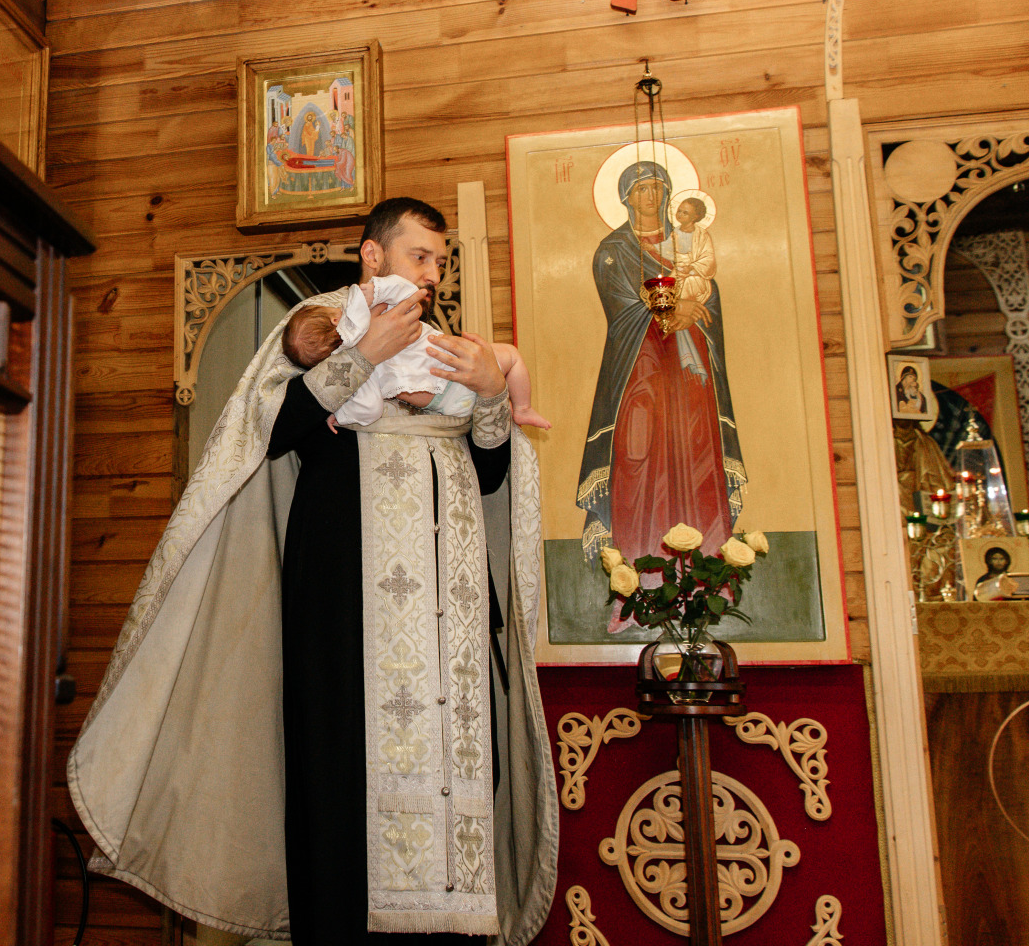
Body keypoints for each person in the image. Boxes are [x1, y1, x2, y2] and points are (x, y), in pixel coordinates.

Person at [68, 197, 558, 946]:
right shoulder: (322, 329)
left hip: (451, 614)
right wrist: (360, 358)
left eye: (438, 261)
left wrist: (491, 397)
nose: (430, 275)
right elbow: (270, 432)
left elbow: (491, 477)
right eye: (418, 255)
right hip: (343, 600)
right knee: (337, 777)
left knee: (463, 768)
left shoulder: (449, 347)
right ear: (372, 255)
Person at [576, 160, 745, 629]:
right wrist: (672, 309)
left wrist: (693, 308)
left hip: (689, 377)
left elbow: (709, 306)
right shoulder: (614, 250)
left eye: (659, 188)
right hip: (642, 371)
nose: (651, 196)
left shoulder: (689, 246)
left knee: (695, 457)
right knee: (638, 459)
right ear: (626, 196)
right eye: (642, 188)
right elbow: (620, 311)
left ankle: (707, 581)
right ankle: (636, 585)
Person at [281, 274, 550, 430]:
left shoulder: (358, 373)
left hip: (448, 408)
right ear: (333, 319)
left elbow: (369, 409)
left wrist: (339, 415)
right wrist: (377, 289)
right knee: (512, 356)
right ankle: (523, 408)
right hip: (459, 371)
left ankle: (514, 407)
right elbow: (410, 293)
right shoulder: (366, 308)